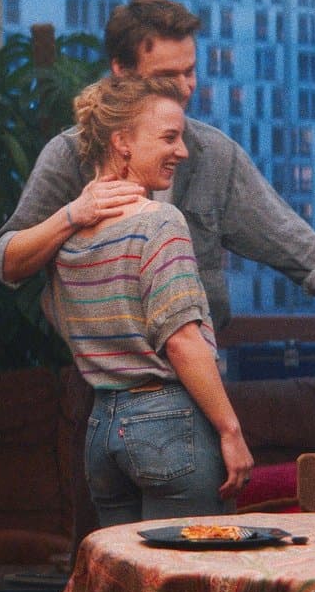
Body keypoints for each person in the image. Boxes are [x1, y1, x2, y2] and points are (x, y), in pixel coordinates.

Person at [0, 0, 315, 325]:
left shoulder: (213, 154)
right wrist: (73, 215)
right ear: (121, 71)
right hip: (101, 377)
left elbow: (293, 244)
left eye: (190, 71)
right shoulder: (71, 153)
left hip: (194, 369)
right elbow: (8, 260)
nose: (185, 88)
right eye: (167, 76)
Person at [45, 75, 253, 526]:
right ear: (122, 142)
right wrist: (230, 430)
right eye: (169, 137)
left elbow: (58, 317)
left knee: (129, 569)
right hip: (169, 425)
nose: (183, 151)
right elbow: (180, 340)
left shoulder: (67, 240)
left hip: (101, 430)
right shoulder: (159, 222)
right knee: (192, 566)